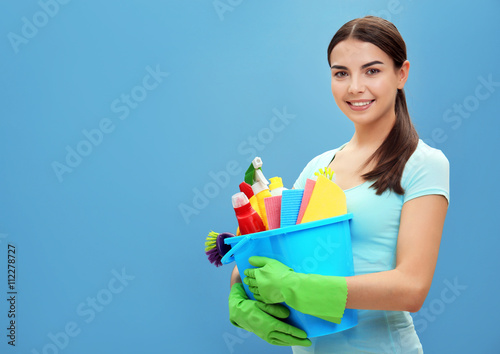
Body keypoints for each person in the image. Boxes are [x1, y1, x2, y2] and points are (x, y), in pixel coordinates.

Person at [228, 15, 449, 353]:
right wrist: (239, 296)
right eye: (341, 73)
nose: (354, 87)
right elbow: (268, 253)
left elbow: (411, 288)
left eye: (372, 71)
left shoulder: (423, 165)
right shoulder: (318, 168)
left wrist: (297, 287)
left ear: (401, 74)